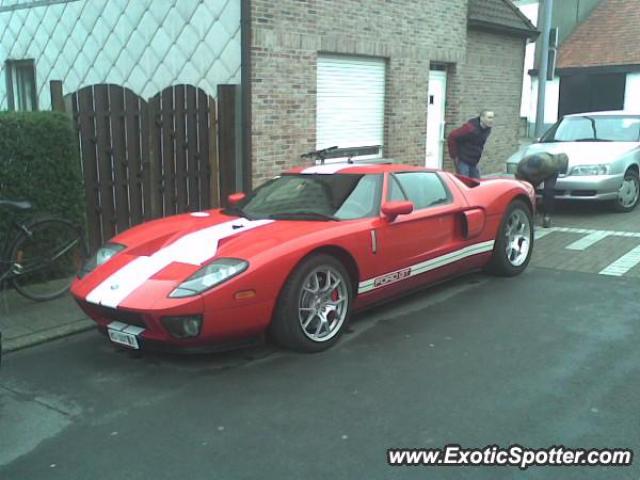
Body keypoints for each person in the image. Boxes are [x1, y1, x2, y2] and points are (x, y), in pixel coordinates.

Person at [515, 152, 568, 228]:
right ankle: (529, 212)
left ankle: (547, 216)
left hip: (550, 172)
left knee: (548, 191)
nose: (532, 172)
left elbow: (561, 163)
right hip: (528, 175)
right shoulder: (521, 166)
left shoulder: (551, 166)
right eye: (531, 171)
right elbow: (520, 181)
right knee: (526, 191)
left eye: (534, 171)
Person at [447, 110, 495, 179]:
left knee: (476, 183)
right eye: (489, 117)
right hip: (463, 160)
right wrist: (454, 156)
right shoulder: (470, 128)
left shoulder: (487, 129)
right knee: (463, 183)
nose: (491, 120)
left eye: (492, 118)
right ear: (482, 118)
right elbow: (452, 136)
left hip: (473, 161)